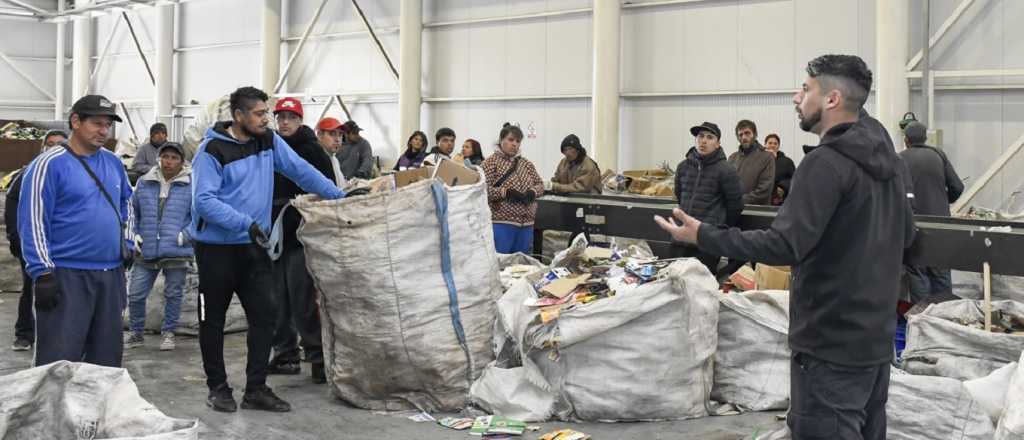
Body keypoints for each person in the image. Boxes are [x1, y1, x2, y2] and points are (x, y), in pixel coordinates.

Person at [656, 55, 915, 440]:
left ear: (831, 99)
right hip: (874, 344)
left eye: (806, 88)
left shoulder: (824, 164)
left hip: (829, 347)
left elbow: (784, 243)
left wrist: (703, 235)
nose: (797, 97)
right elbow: (907, 236)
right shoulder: (890, 164)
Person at [191, 86, 345, 413]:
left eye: (267, 113)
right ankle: (218, 388)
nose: (267, 119)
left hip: (253, 248)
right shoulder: (211, 151)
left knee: (265, 316)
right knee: (212, 321)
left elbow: (300, 171)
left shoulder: (268, 142)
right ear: (238, 116)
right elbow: (204, 202)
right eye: (260, 114)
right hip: (216, 251)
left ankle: (256, 388)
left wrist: (338, 197)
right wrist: (244, 223)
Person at [18, 94, 133, 368]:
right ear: (75, 121)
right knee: (59, 361)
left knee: (105, 361)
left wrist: (127, 241)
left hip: (110, 275)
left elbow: (127, 203)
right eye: (97, 124)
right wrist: (42, 272)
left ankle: (96, 412)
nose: (104, 131)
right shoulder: (48, 165)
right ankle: (53, 412)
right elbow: (33, 221)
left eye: (108, 125)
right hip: (66, 276)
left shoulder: (114, 163)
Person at [266, 97, 337, 384]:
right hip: (273, 233)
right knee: (275, 298)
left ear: (300, 120)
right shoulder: (269, 148)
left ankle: (318, 357)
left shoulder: (312, 151)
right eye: (280, 117)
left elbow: (327, 188)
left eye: (290, 118)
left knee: (302, 298)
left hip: (301, 234)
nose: (284, 123)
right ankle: (285, 354)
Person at [124, 143, 192, 352]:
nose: (169, 161)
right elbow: (133, 211)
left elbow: (200, 217)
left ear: (182, 162)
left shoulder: (191, 185)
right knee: (135, 293)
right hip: (148, 248)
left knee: (173, 293)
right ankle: (136, 333)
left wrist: (186, 235)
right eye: (165, 157)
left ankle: (168, 333)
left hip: (176, 249)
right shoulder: (145, 182)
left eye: (174, 157)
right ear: (159, 158)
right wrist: (133, 234)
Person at [6, 130, 67, 352]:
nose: (53, 148)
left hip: (62, 247)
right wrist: (16, 237)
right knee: (32, 288)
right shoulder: (30, 173)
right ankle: (25, 334)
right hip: (33, 246)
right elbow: (13, 205)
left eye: (59, 144)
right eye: (49, 144)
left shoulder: (71, 173)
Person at [900, 121, 963, 304]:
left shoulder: (899, 159)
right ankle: (945, 321)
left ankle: (925, 321)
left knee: (918, 273)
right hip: (942, 225)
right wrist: (943, 202)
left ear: (906, 140)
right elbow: (957, 187)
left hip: (914, 225)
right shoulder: (938, 155)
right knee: (941, 272)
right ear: (926, 138)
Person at [670, 122, 744, 273]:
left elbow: (736, 206)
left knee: (701, 287)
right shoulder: (683, 167)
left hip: (706, 241)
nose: (703, 140)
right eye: (700, 136)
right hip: (681, 237)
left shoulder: (726, 170)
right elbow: (680, 196)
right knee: (673, 282)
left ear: (717, 144)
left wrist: (717, 226)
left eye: (710, 137)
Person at [483, 123, 545, 254]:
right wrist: (505, 192)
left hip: (527, 224)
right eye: (511, 140)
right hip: (501, 223)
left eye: (518, 141)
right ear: (501, 140)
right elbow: (482, 190)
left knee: (522, 266)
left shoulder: (526, 164)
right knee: (502, 263)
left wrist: (532, 192)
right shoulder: (490, 163)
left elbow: (540, 184)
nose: (514, 144)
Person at [729, 120, 775, 205]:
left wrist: (739, 201)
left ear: (755, 134)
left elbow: (764, 189)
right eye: (740, 135)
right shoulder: (732, 158)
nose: (744, 137)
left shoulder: (767, 157)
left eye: (747, 133)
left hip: (757, 212)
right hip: (734, 211)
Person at [764, 134, 795, 205]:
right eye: (770, 143)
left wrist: (783, 187)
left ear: (778, 146)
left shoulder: (787, 162)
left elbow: (794, 178)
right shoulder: (758, 160)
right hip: (760, 199)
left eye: (775, 143)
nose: (772, 145)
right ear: (765, 145)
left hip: (778, 200)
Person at [316, 117, 347, 187]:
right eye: (332, 134)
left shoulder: (334, 159)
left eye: (340, 134)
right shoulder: (315, 159)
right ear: (319, 135)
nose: (337, 139)